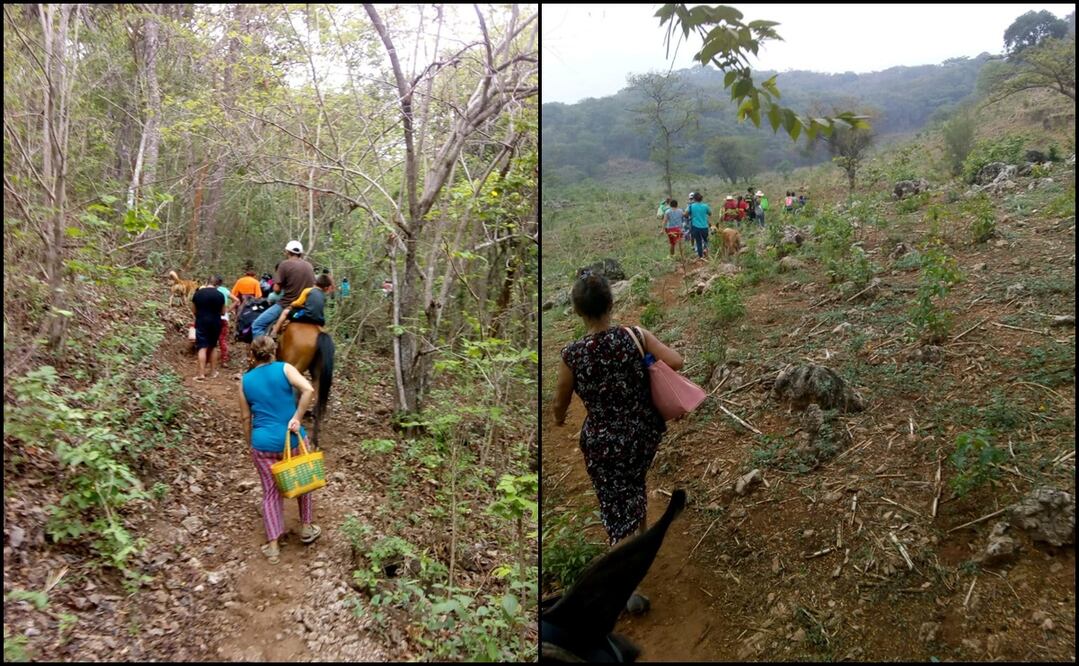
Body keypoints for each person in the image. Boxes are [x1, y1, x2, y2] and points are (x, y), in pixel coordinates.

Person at [552, 273, 684, 614]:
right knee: (633, 487)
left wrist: (559, 419)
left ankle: (623, 587)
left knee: (617, 508)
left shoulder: (572, 355)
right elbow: (676, 361)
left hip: (602, 443)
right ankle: (638, 550)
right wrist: (645, 364)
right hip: (642, 435)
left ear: (578, 310)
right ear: (611, 304)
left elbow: (560, 402)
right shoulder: (635, 336)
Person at [239, 336, 322, 565]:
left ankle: (273, 545)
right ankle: (306, 527)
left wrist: (250, 443)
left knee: (270, 493)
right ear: (274, 351)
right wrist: (297, 418)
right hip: (292, 439)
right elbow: (308, 390)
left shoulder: (245, 381)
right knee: (304, 481)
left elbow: (246, 418)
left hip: (263, 445)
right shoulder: (285, 368)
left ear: (252, 355)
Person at [251, 241, 316, 338]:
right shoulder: (309, 266)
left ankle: (263, 346)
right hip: (306, 306)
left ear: (287, 252)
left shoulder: (284, 264)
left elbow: (276, 289)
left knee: (257, 325)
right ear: (301, 253)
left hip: (287, 304)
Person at [191, 278, 225, 381]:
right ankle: (213, 372)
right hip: (216, 322)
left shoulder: (198, 293)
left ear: (206, 282)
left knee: (202, 347)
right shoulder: (220, 295)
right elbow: (223, 312)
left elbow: (193, 310)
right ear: (217, 285)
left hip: (202, 321)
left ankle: (201, 374)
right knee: (213, 346)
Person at [213, 276, 233, 367]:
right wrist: (228, 310)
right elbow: (237, 300)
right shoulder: (225, 290)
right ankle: (224, 360)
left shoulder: (211, 290)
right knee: (222, 339)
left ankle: (208, 359)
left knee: (211, 339)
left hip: (213, 316)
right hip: (224, 317)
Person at [686, 192, 712, 259]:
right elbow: (710, 213)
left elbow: (686, 214)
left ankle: (700, 256)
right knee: (706, 240)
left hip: (695, 227)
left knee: (698, 242)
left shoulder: (691, 206)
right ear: (701, 199)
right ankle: (706, 252)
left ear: (694, 199)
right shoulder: (705, 206)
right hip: (705, 226)